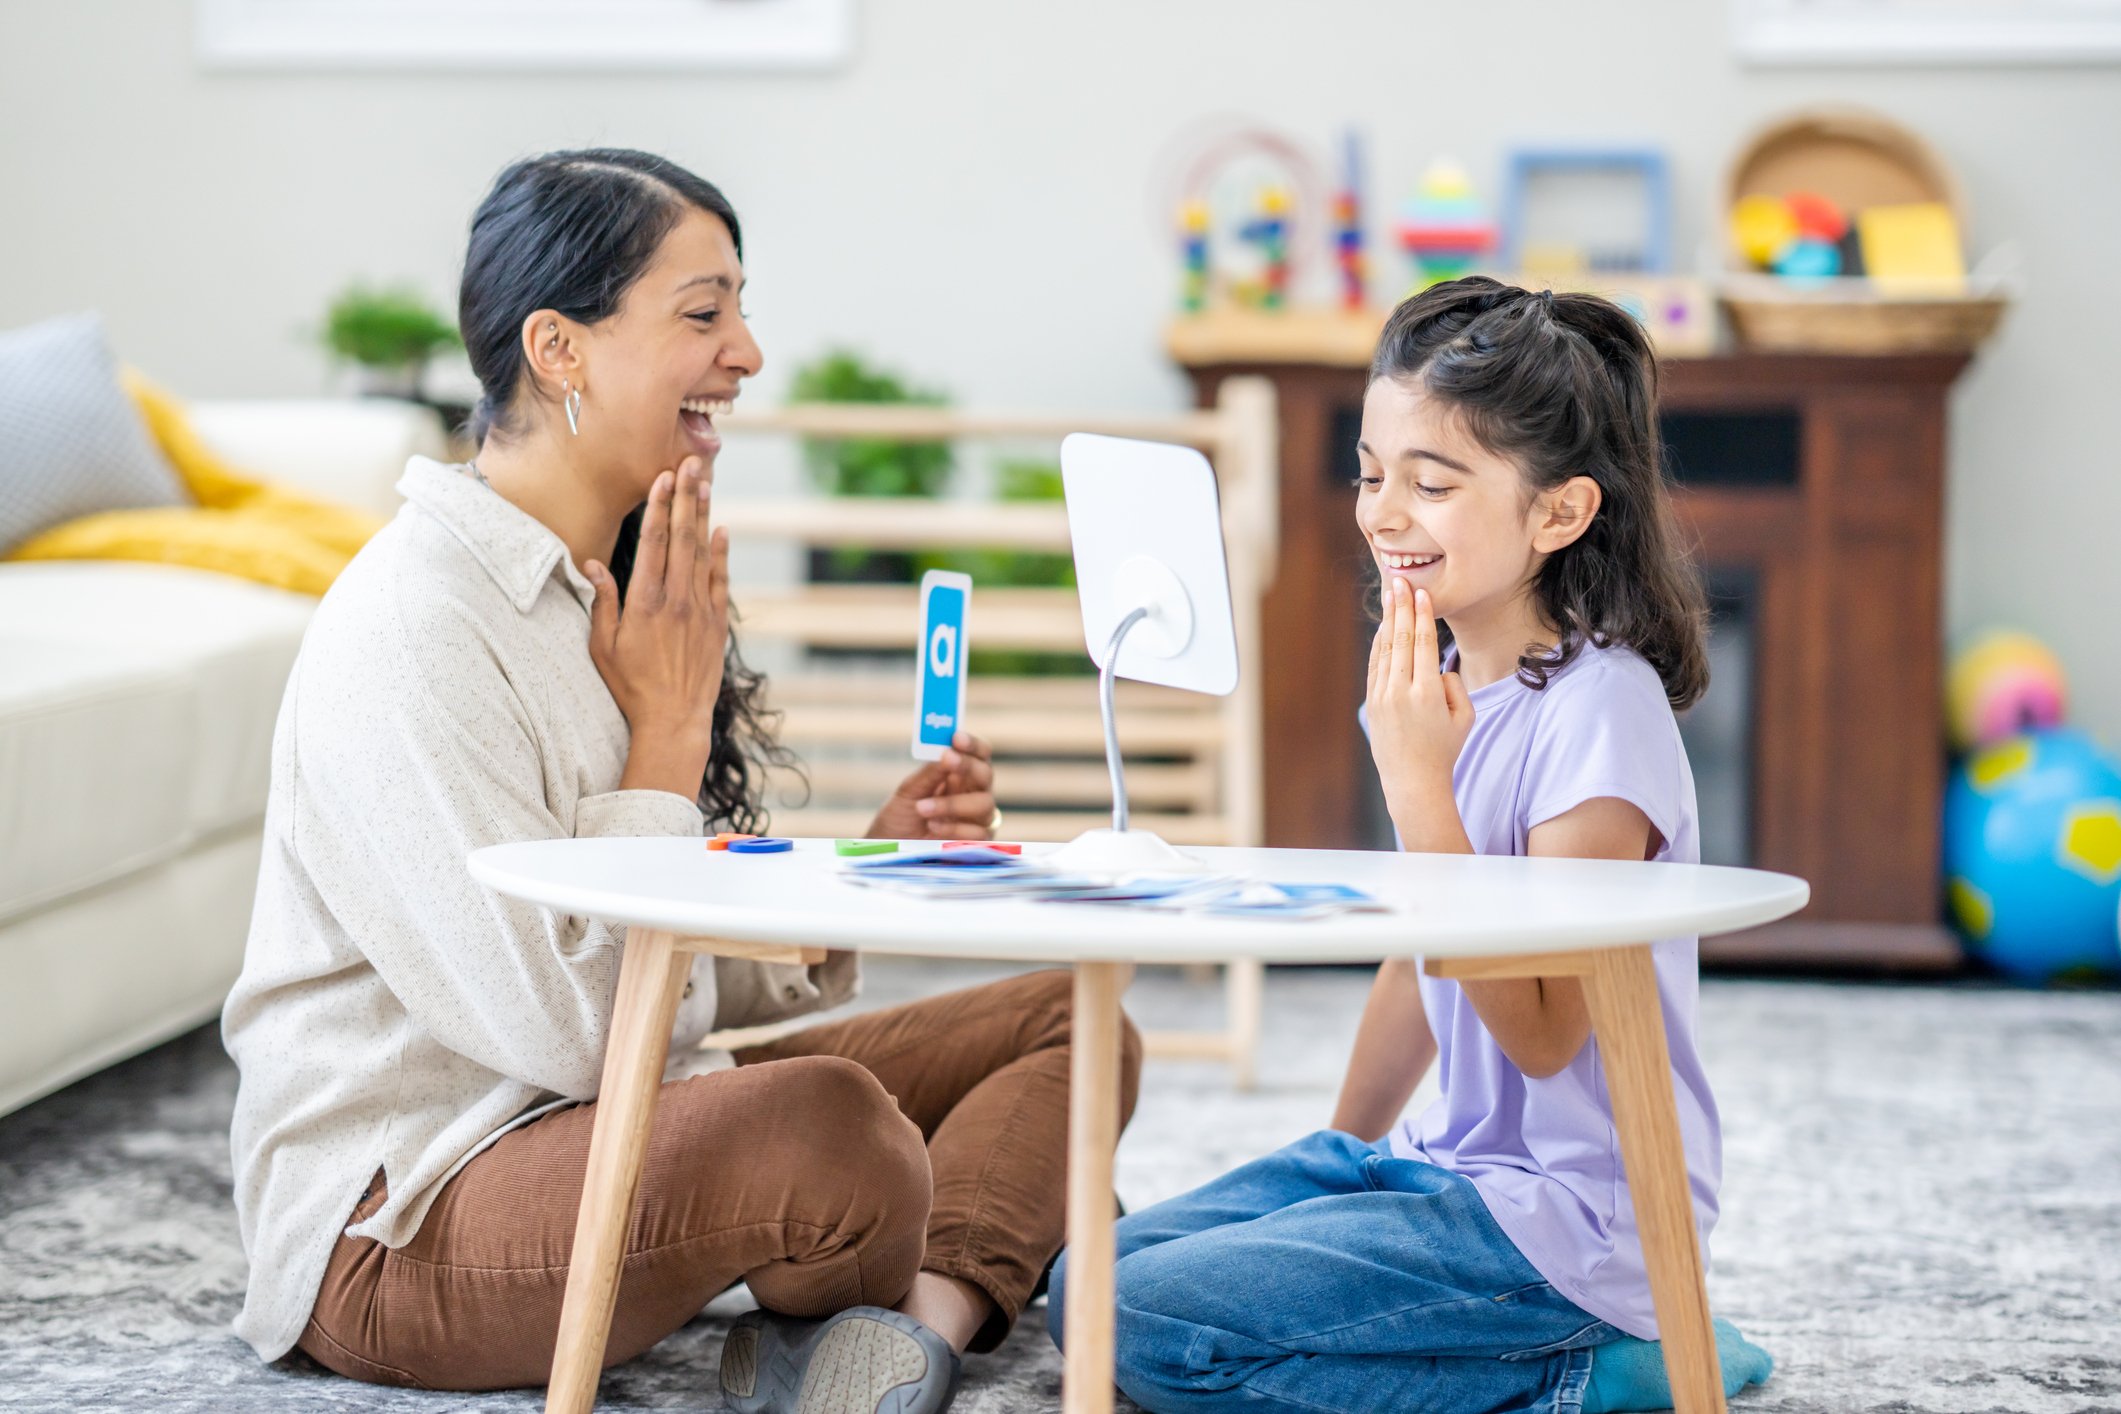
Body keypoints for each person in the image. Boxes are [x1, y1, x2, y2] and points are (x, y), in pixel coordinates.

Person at [222, 148, 1140, 1414]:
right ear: (560, 350)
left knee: (1072, 1025)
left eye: (741, 310)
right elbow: (582, 1031)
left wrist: (854, 868)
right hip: (406, 1220)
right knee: (836, 1129)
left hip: (624, 1104)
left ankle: (904, 1334)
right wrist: (662, 745)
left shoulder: (615, 580)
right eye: (704, 313)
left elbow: (674, 978)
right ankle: (977, 1239)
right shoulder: (413, 625)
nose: (749, 352)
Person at [1049, 278, 1772, 1413]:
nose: (1384, 513)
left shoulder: (1603, 710)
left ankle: (1589, 1368)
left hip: (1564, 1221)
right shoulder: (1439, 682)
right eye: (1372, 474)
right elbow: (1418, 952)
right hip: (1441, 1170)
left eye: (1432, 483)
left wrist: (1418, 788)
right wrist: (1338, 1161)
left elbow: (1542, 1037)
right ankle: (1522, 1344)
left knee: (1142, 1325)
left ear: (1558, 514)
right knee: (1082, 1282)